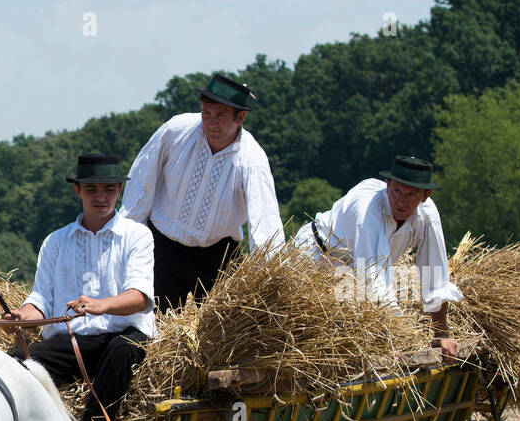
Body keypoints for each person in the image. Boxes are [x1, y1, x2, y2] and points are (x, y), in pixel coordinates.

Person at [2, 153, 155, 421]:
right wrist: (22, 317)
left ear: (119, 190)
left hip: (123, 334)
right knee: (15, 365)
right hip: (75, 342)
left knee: (121, 350)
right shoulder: (56, 241)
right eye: (92, 189)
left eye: (109, 189)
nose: (101, 197)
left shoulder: (137, 236)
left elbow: (140, 297)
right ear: (77, 190)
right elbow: (41, 300)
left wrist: (102, 305)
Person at [120, 73, 285, 311]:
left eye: (219, 115)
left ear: (240, 117)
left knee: (224, 332)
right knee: (150, 325)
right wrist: (128, 236)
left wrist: (269, 277)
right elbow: (142, 181)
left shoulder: (252, 160)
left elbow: (264, 221)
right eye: (206, 113)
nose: (211, 122)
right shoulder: (175, 131)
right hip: (163, 247)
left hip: (218, 255)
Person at [292, 154, 461, 358]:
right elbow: (376, 286)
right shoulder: (367, 211)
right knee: (303, 333)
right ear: (387, 184)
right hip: (316, 255)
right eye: (397, 191)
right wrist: (407, 338)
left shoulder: (428, 214)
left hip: (351, 270)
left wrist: (441, 334)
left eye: (412, 195)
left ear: (425, 196)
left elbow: (435, 274)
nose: (401, 201)